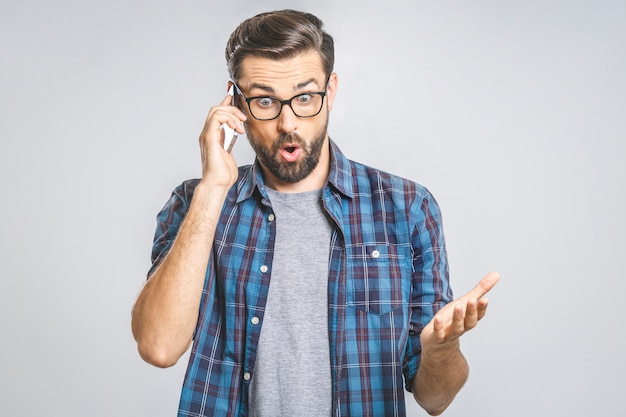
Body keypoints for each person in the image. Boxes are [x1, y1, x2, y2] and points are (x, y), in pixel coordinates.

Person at [131, 9, 499, 417]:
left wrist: (441, 349)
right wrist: (212, 188)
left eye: (305, 97)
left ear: (331, 89)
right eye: (265, 100)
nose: (288, 123)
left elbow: (435, 399)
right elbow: (158, 347)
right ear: (236, 101)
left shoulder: (407, 208)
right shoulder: (196, 203)